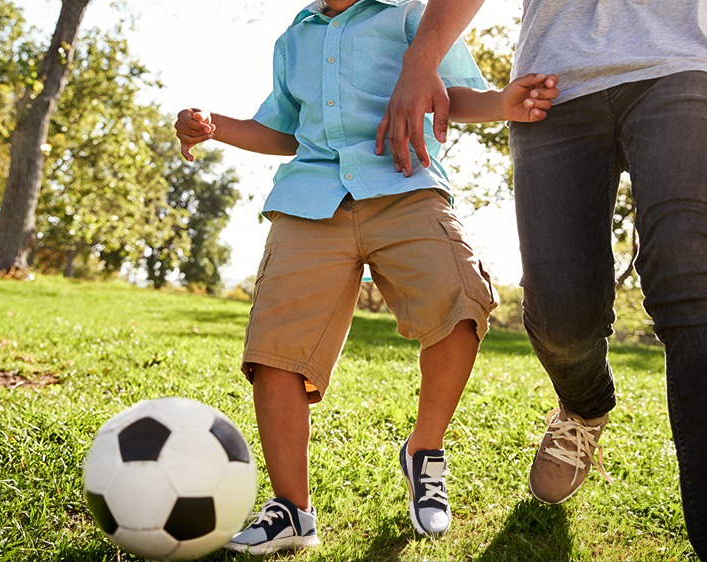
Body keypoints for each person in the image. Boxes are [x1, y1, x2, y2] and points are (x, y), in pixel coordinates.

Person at [377, 1, 707, 560]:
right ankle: (584, 403)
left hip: (684, 60)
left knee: (697, 272)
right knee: (560, 315)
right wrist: (420, 63)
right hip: (556, 84)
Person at [174, 0, 559, 554]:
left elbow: (452, 96)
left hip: (404, 184)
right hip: (310, 200)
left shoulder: (411, 17)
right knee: (277, 349)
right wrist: (215, 128)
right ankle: (291, 510)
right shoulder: (294, 40)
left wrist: (504, 103)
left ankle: (424, 450)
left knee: (461, 297)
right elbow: (284, 131)